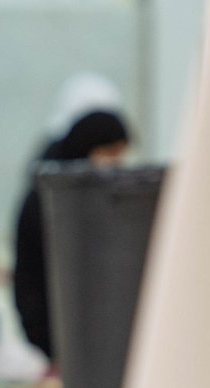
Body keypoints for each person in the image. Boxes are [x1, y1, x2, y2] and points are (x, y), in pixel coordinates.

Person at [12, 110, 129, 360]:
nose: (117, 162)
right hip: (53, 327)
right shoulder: (50, 198)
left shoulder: (96, 195)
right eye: (110, 152)